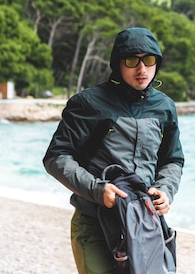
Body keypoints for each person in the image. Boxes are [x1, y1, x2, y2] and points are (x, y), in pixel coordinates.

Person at [43, 27, 184, 274]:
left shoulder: (164, 107)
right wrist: (98, 189)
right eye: (132, 61)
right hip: (95, 222)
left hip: (145, 223)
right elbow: (56, 156)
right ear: (118, 63)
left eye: (148, 60)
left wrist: (165, 190)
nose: (142, 69)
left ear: (157, 63)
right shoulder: (88, 103)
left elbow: (172, 159)